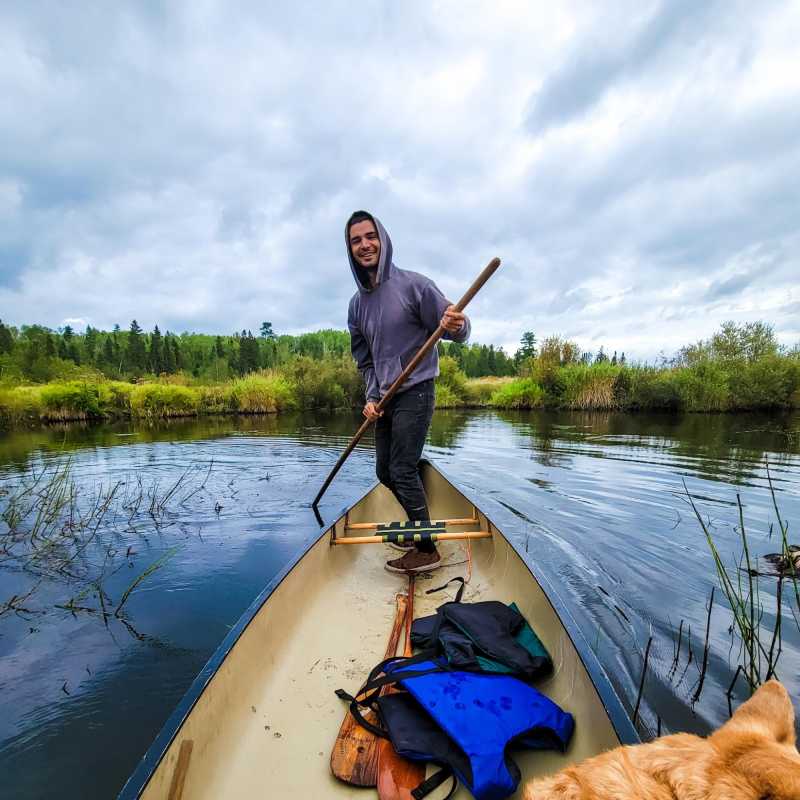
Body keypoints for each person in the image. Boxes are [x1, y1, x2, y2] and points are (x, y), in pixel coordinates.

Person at [346, 211, 470, 573]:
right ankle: (418, 527)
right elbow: (365, 361)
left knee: (401, 467)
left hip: (416, 389)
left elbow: (457, 329)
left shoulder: (415, 285)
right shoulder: (356, 306)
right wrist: (371, 398)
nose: (365, 245)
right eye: (356, 240)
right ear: (350, 249)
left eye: (371, 236)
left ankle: (427, 547)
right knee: (385, 470)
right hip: (384, 400)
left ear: (383, 240)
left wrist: (457, 324)